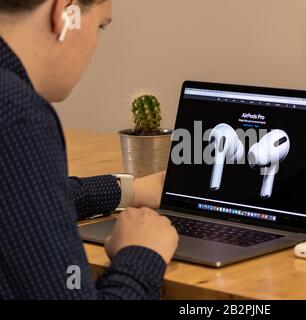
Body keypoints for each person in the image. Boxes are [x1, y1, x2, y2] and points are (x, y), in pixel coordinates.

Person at [0, 0, 179, 299]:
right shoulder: (18, 115)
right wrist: (141, 253)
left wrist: (131, 189)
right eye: (100, 26)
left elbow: (24, 201)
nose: (96, 43)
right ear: (64, 13)